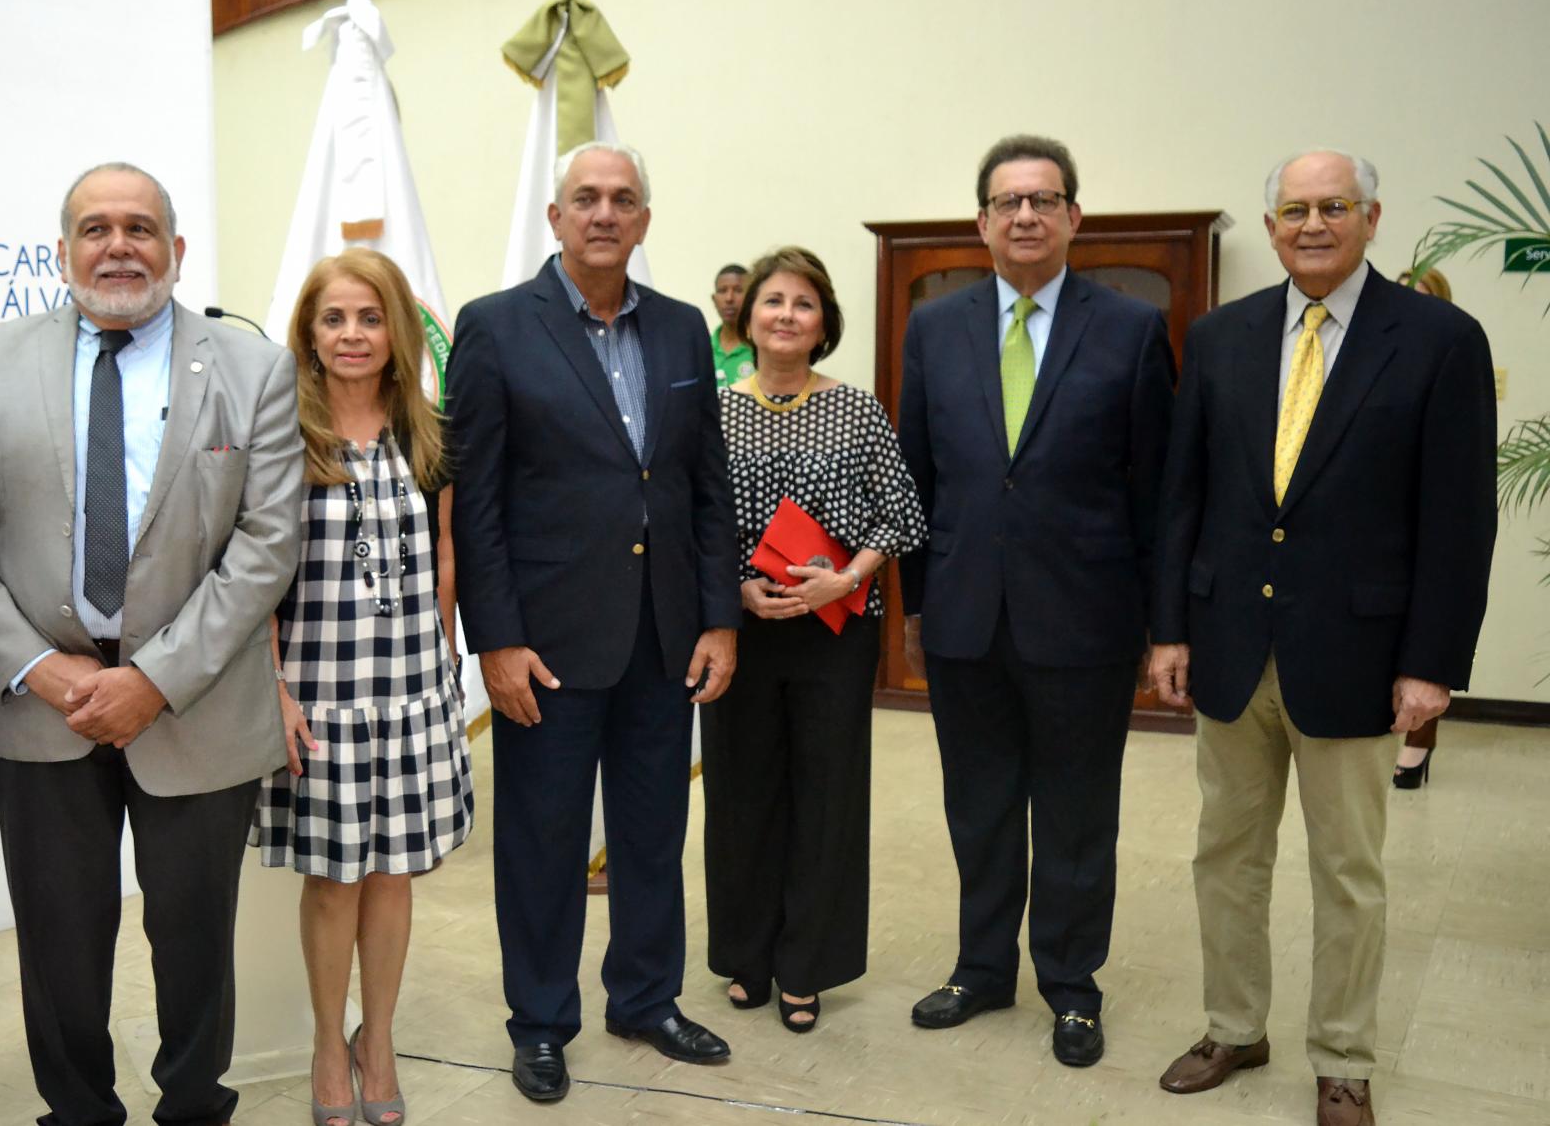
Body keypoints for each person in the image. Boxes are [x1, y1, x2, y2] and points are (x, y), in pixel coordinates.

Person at [0, 161, 303, 1126]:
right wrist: (34, 664)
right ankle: (78, 1110)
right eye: (95, 229)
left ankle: (194, 1104)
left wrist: (155, 676)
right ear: (62, 252)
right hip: (41, 707)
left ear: (176, 251)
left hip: (196, 708)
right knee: (59, 939)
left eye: (140, 228)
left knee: (195, 939)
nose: (118, 246)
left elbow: (267, 545)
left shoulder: (252, 366)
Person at [1149, 152, 1496, 1126]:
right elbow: (1185, 495)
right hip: (1227, 645)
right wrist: (1167, 627)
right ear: (1268, 228)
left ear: (1369, 217)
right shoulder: (1218, 337)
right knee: (1224, 853)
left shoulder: (1435, 339)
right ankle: (1232, 1024)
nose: (1310, 223)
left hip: (1355, 654)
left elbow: (1458, 518)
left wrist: (1430, 662)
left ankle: (1341, 1054)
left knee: (1346, 869)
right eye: (1292, 209)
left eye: (1330, 206)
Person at [450, 140, 740, 1103]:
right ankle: (540, 1020)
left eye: (623, 200)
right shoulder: (494, 328)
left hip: (666, 638)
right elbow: (476, 500)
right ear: (556, 219)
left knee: (655, 831)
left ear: (644, 220)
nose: (605, 214)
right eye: (587, 198)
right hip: (547, 643)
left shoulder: (684, 328)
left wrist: (717, 618)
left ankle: (646, 998)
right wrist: (493, 639)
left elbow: (706, 486)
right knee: (542, 838)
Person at [896, 134, 1175, 1068]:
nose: (1026, 216)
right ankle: (982, 968)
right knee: (977, 805)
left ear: (1074, 218)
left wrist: (1156, 624)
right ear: (981, 222)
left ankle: (1070, 982)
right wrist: (919, 608)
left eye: (1044, 200)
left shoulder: (1130, 329)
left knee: (1076, 810)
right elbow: (918, 477)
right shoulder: (934, 327)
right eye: (1008, 202)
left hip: (1086, 621)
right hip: (967, 617)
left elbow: (1156, 490)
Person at [251, 247, 473, 1126]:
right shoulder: (283, 432)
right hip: (319, 692)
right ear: (308, 329)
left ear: (399, 333)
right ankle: (324, 1043)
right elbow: (260, 572)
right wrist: (272, 683)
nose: (352, 334)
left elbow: (447, 549)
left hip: (413, 688)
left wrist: (445, 660)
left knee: (393, 875)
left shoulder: (430, 429)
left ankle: (375, 1039)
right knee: (334, 879)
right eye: (334, 317)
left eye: (370, 318)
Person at [700, 246, 926, 1034]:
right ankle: (747, 954)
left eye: (803, 303)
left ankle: (806, 964)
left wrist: (848, 578)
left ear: (823, 321)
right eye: (773, 302)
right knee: (741, 792)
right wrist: (735, 587)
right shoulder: (715, 408)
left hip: (834, 629)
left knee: (826, 798)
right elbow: (697, 522)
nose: (786, 315)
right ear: (746, 316)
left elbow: (901, 512)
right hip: (743, 631)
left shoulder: (858, 408)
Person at [1391, 265, 1453, 788]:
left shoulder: (1453, 351)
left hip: (1428, 530)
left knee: (1424, 643)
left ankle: (1420, 743)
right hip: (1379, 541)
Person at [709, 262, 753, 387]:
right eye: (722, 291)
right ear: (714, 299)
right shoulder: (703, 349)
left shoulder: (762, 349)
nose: (729, 298)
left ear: (752, 298)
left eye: (738, 290)